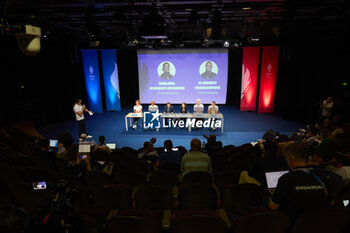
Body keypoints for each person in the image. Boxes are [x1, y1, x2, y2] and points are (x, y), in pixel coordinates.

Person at [268, 142, 331, 223]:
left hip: (292, 224)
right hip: (319, 223)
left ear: (290, 158)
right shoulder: (322, 175)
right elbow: (330, 202)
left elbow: (273, 207)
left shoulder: (287, 178)